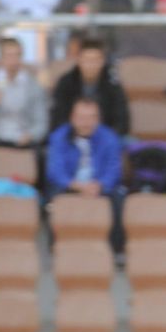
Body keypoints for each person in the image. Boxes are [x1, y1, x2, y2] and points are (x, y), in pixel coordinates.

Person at [45, 97, 125, 253]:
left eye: (91, 117)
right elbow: (55, 171)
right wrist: (77, 185)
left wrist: (99, 185)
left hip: (99, 185)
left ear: (98, 119)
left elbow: (114, 169)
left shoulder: (109, 138)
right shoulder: (59, 137)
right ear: (72, 118)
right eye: (81, 117)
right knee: (54, 197)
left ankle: (116, 249)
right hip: (70, 184)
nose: (86, 122)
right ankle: (56, 246)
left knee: (118, 199)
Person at [0, 37, 47, 150]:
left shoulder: (33, 86)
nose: (14, 60)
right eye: (9, 56)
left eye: (17, 55)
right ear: (0, 59)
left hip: (23, 138)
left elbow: (41, 121)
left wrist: (31, 135)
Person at [50, 37, 130, 137]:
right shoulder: (65, 83)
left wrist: (107, 137)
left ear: (103, 61)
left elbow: (122, 120)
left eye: (95, 60)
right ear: (79, 60)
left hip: (105, 139)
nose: (91, 65)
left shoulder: (113, 84)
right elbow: (57, 118)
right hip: (71, 139)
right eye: (87, 60)